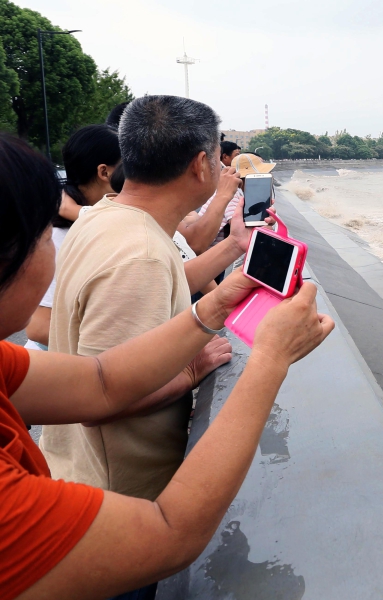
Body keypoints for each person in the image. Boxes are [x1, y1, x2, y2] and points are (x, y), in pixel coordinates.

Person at [0, 132, 332, 598]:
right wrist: (271, 358)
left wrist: (214, 306)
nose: (54, 250)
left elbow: (100, 381)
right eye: (43, 235)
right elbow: (170, 534)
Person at [38, 95, 244, 503]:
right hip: (118, 496)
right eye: (219, 160)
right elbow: (99, 398)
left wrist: (235, 245)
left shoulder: (103, 214)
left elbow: (161, 285)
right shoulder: (141, 253)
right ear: (201, 164)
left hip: (75, 469)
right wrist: (191, 369)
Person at [24, 125, 119, 350]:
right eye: (128, 167)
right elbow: (38, 327)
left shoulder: (102, 218)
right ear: (104, 172)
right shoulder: (58, 234)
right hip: (61, 371)